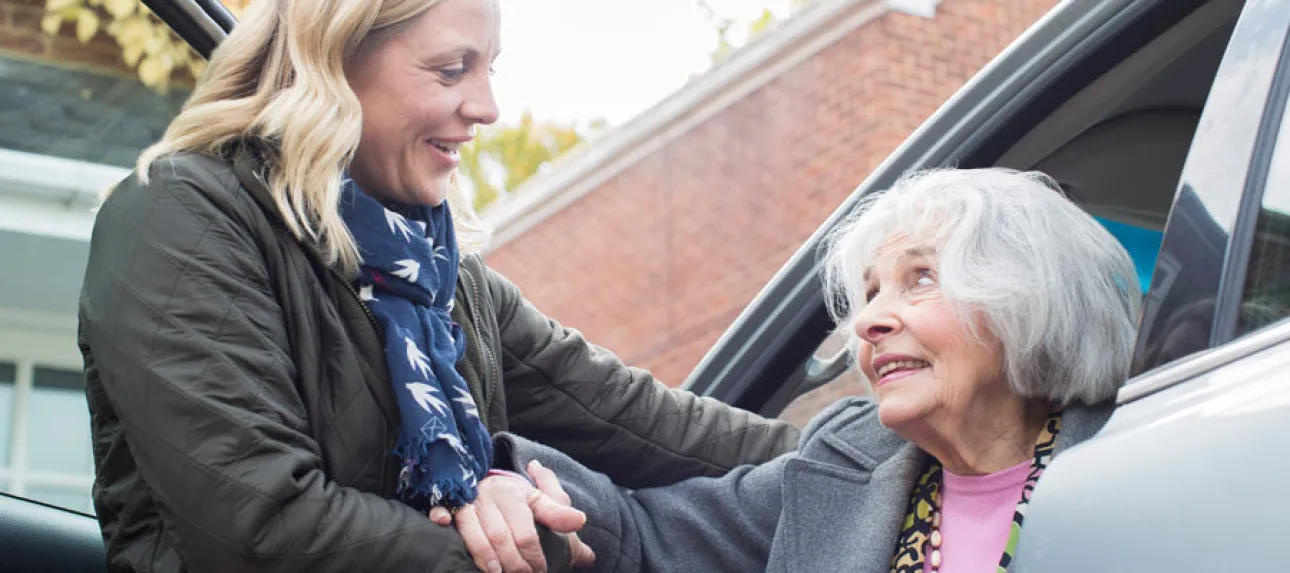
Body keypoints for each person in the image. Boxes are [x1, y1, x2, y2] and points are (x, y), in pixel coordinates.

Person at [76, 0, 799, 572]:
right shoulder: (180, 219)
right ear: (335, 62)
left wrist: (872, 452)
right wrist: (520, 542)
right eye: (452, 70)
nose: (487, 107)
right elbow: (261, 529)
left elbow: (626, 414)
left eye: (489, 69)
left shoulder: (434, 271)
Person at [457, 167, 1142, 573]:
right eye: (871, 292)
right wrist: (511, 484)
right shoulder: (846, 466)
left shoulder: (1139, 453)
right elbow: (642, 533)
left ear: (1028, 300)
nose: (870, 320)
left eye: (921, 279)